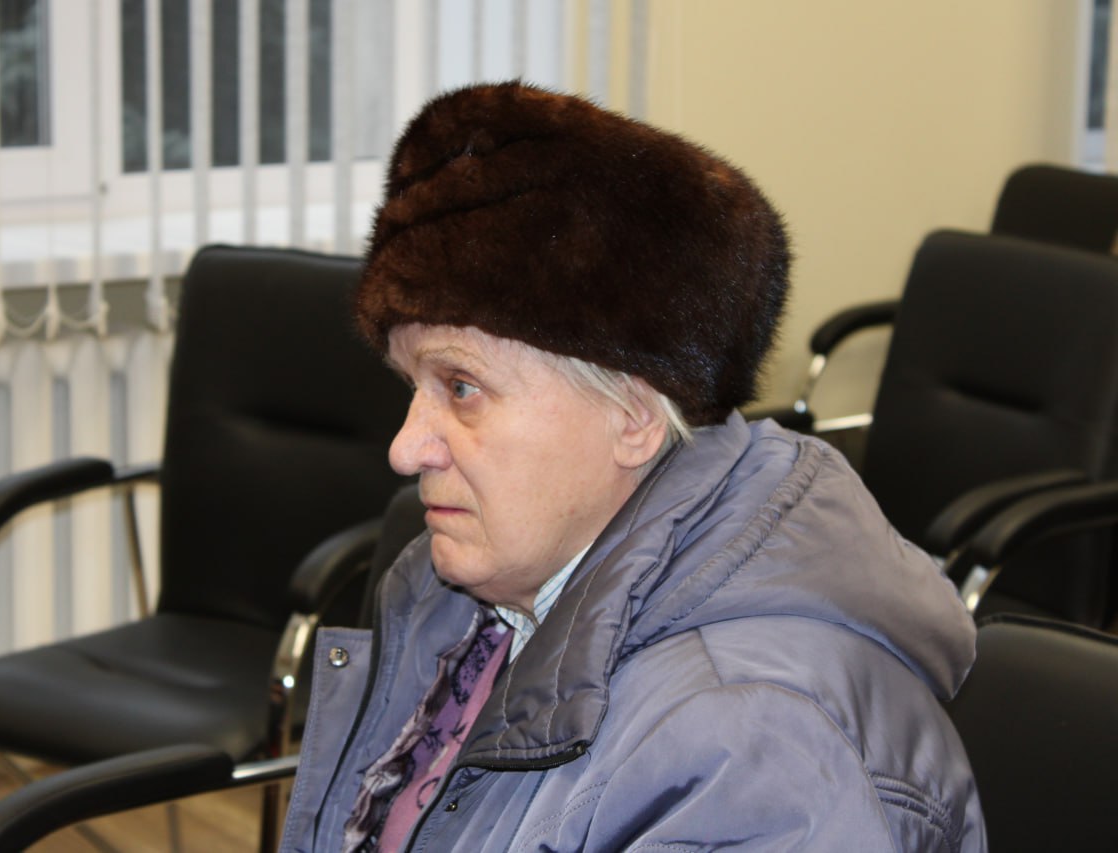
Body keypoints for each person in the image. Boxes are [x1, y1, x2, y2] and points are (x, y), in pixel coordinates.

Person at [280, 81, 986, 852]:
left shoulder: (756, 748)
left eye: (461, 387)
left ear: (635, 417)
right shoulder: (468, 597)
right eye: (413, 385)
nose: (405, 446)